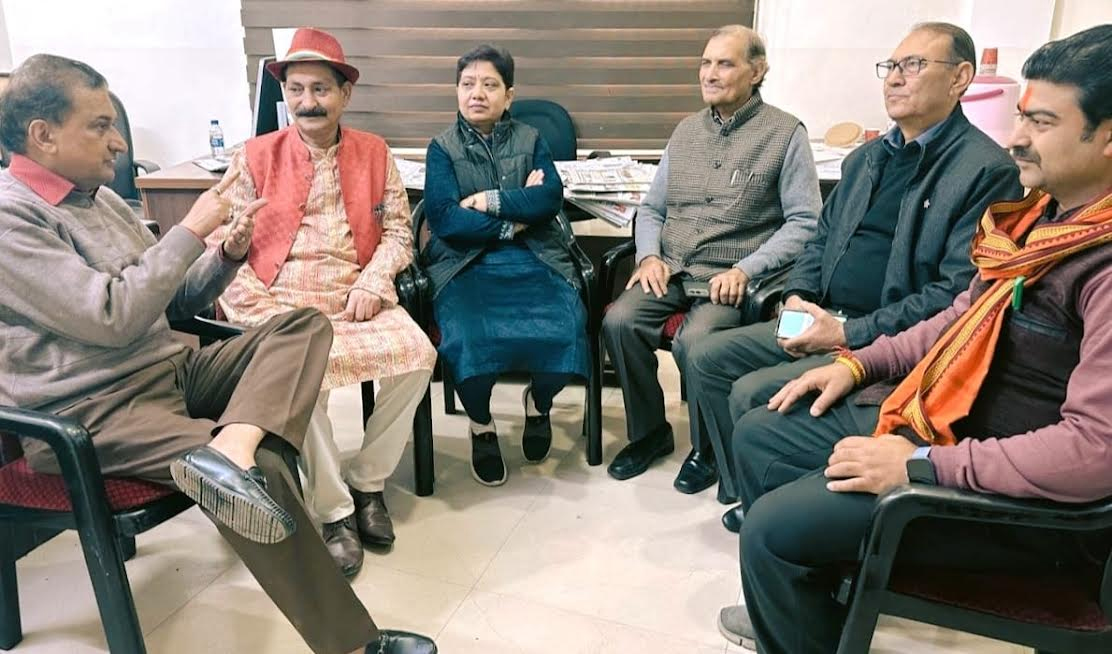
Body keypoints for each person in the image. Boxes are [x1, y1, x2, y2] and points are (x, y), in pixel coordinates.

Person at [0, 54, 435, 654]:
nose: (119, 142)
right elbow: (112, 315)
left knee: (301, 326)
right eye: (100, 126)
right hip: (91, 410)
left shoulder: (100, 201)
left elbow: (175, 300)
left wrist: (225, 254)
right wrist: (189, 229)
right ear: (42, 135)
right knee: (266, 469)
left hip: (167, 371)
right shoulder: (11, 217)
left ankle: (231, 447)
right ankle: (353, 645)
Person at [715, 25, 1112, 653]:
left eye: (1041, 123)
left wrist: (919, 464)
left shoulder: (1100, 262)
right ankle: (816, 603)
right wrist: (856, 364)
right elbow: (961, 314)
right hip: (952, 416)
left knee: (772, 529)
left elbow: (1094, 451)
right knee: (765, 431)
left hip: (1022, 506)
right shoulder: (1044, 219)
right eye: (1020, 117)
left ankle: (802, 589)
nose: (1016, 138)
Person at [685, 22, 1022, 525]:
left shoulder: (984, 170)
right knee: (707, 356)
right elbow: (820, 239)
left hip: (881, 336)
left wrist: (847, 333)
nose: (895, 78)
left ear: (960, 78)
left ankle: (777, 505)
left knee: (752, 393)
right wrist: (797, 297)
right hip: (823, 315)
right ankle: (747, 485)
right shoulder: (867, 158)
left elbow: (956, 293)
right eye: (891, 67)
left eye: (914, 66)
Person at [209, 27, 436, 578]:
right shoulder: (254, 156)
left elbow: (399, 232)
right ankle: (335, 510)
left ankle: (368, 482)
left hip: (357, 292)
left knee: (419, 355)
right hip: (281, 295)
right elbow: (223, 242)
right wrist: (261, 307)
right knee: (295, 373)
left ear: (344, 94)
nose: (307, 101)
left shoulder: (375, 152)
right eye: (296, 89)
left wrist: (373, 282)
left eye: (320, 89)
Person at [600, 25, 822, 483]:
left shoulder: (785, 133)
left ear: (756, 71)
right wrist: (648, 256)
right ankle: (650, 432)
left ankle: (708, 449)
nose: (710, 74)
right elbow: (653, 208)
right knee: (619, 322)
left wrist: (748, 268)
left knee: (696, 341)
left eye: (725, 63)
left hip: (731, 278)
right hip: (672, 268)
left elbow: (805, 222)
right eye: (705, 63)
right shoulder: (686, 131)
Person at [422, 44, 589, 486]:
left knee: (566, 329)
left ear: (509, 95)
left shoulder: (532, 140)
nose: (477, 93)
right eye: (467, 84)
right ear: (457, 91)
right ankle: (481, 424)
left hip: (537, 257)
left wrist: (486, 201)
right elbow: (445, 219)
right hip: (465, 264)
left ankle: (540, 404)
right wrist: (513, 221)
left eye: (489, 84)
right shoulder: (441, 148)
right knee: (467, 338)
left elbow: (548, 199)